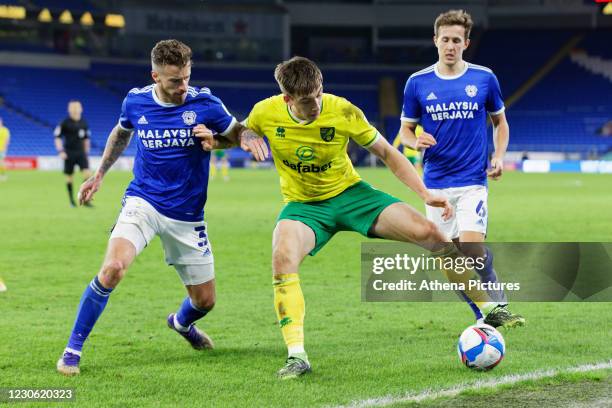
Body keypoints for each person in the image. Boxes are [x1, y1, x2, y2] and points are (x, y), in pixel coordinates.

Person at [201, 56, 523, 380]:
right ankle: (296, 356)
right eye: (306, 100)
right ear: (287, 99)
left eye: (318, 94)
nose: (315, 104)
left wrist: (425, 194)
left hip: (352, 196)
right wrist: (215, 141)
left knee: (432, 234)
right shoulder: (265, 112)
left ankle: (488, 308)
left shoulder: (342, 110)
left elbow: (387, 153)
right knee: (281, 257)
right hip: (304, 206)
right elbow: (237, 135)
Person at [56, 39, 267, 376]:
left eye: (186, 77)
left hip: (187, 215)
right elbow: (121, 133)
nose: (183, 86)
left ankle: (181, 323)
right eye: (174, 80)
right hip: (144, 201)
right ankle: (72, 351)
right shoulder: (136, 101)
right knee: (112, 269)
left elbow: (234, 131)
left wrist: (244, 137)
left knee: (205, 301)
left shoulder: (205, 103)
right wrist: (98, 175)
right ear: (155, 76)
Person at [399, 10, 522, 323]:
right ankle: (483, 312)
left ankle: (499, 307)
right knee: (450, 258)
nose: (450, 45)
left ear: (466, 43)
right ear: (435, 41)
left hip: (472, 181)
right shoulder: (417, 83)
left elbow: (501, 122)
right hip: (436, 185)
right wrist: (415, 141)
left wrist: (498, 155)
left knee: (470, 249)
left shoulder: (484, 78)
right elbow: (404, 131)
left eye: (456, 40)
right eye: (445, 39)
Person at [54, 100, 93, 207]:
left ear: (81, 109)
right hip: (69, 153)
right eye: (72, 107)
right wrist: (61, 151)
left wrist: (86, 152)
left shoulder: (84, 123)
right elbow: (57, 137)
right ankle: (72, 201)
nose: (75, 110)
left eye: (77, 107)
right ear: (69, 109)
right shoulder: (65, 123)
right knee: (69, 177)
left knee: (88, 175)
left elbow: (86, 139)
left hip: (81, 153)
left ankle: (85, 199)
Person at [0, 116, 10, 182]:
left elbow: (7, 140)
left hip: (1, 149)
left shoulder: (5, 130)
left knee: (1, 162)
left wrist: (5, 148)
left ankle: (3, 175)